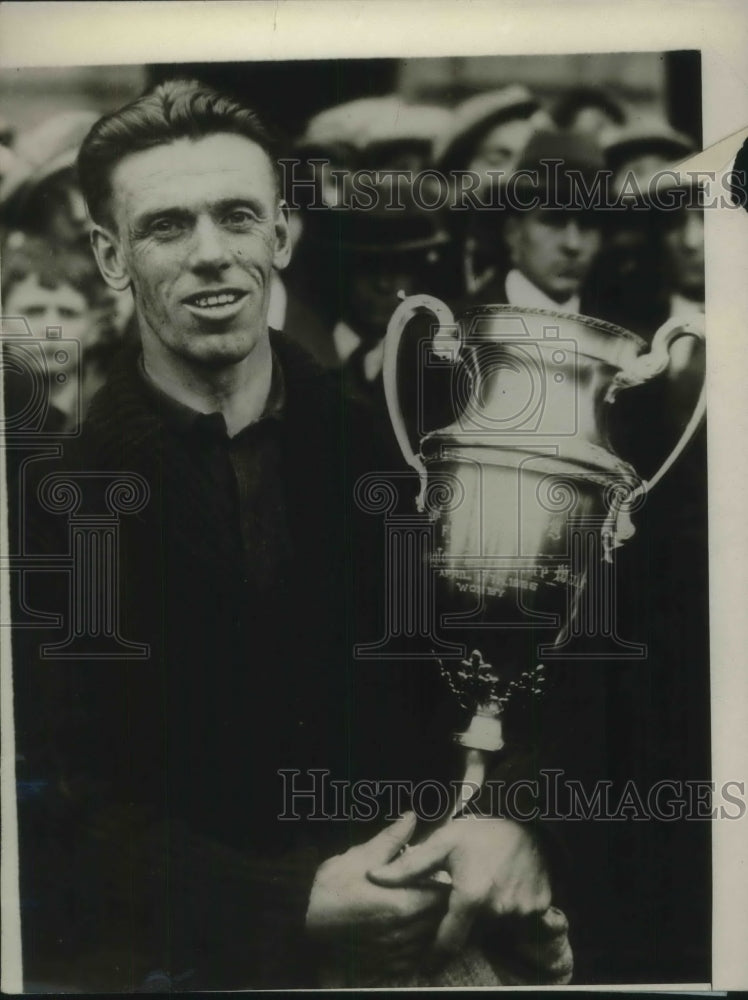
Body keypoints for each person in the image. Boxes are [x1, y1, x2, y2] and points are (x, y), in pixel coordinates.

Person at [11, 79, 568, 992]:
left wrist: (514, 821)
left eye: (237, 217)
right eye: (166, 227)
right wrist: (287, 904)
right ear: (111, 258)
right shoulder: (56, 498)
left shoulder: (398, 447)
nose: (210, 256)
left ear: (282, 235)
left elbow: (525, 673)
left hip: (427, 946)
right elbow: (59, 810)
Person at [462, 130, 606, 315]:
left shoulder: (629, 337)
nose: (573, 244)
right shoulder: (457, 327)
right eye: (554, 222)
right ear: (512, 233)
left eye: (588, 224)